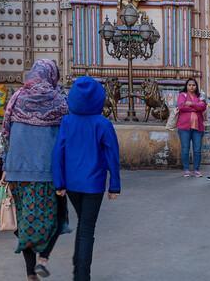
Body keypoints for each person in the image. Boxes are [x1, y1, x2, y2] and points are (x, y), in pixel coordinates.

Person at [2, 59, 69, 281]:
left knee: (24, 221)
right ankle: (43, 260)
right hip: (48, 174)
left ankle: (31, 272)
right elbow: (66, 139)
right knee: (58, 219)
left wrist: (6, 165)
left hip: (17, 172)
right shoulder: (59, 101)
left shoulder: (16, 98)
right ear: (52, 75)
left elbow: (6, 135)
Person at [52, 77, 121, 281]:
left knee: (83, 225)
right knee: (86, 229)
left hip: (71, 184)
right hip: (94, 184)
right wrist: (114, 186)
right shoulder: (103, 124)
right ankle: (82, 276)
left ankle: (78, 271)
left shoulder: (67, 122)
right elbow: (112, 156)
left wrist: (59, 182)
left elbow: (58, 152)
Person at [175, 78, 207, 177]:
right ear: (186, 86)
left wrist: (191, 104)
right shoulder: (182, 95)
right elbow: (181, 107)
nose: (191, 87)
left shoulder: (200, 96)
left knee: (197, 149)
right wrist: (196, 107)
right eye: (189, 85)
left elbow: (203, 107)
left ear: (196, 86)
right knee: (185, 149)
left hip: (198, 128)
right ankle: (186, 169)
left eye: (193, 85)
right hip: (184, 127)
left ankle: (196, 170)